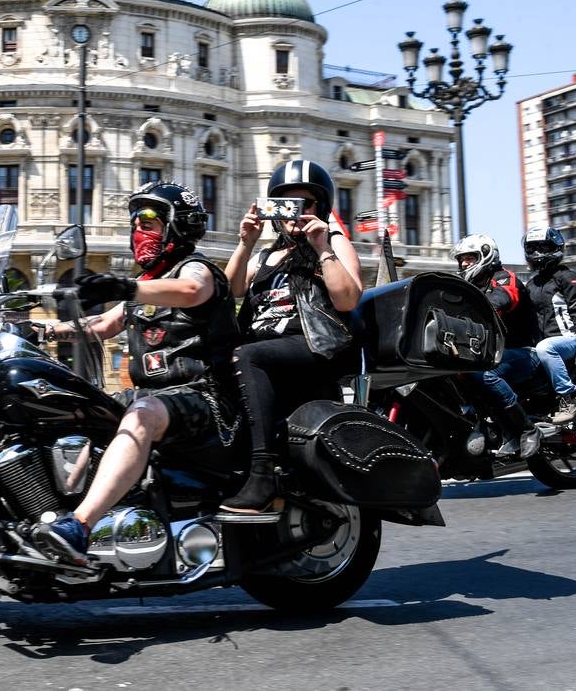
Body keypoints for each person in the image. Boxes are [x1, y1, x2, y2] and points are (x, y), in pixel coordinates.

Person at [29, 181, 240, 565]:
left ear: (176, 226)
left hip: (206, 397)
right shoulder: (146, 284)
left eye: (149, 222)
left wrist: (124, 286)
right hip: (157, 400)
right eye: (135, 223)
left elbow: (192, 290)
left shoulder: (194, 268)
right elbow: (102, 325)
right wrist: (39, 329)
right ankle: (50, 514)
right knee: (78, 410)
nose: (138, 232)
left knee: (142, 415)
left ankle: (79, 526)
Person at [220, 159, 363, 513]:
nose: (293, 213)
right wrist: (246, 243)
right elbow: (232, 289)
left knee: (247, 355)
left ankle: (263, 473)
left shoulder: (332, 244)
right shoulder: (268, 255)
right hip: (265, 349)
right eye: (284, 204)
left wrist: (322, 247)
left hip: (314, 348)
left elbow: (347, 297)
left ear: (321, 208)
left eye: (305, 204)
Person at [452, 233, 542, 458]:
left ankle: (526, 430)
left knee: (484, 375)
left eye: (470, 258)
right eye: (461, 259)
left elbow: (502, 299)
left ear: (485, 254)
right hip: (492, 354)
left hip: (525, 352)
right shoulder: (470, 288)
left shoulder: (503, 277)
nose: (464, 263)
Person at [523, 226, 576, 424]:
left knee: (546, 348)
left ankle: (568, 400)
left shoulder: (567, 277)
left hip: (569, 340)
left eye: (543, 248)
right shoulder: (532, 284)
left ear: (555, 248)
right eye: (533, 248)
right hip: (543, 345)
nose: (537, 253)